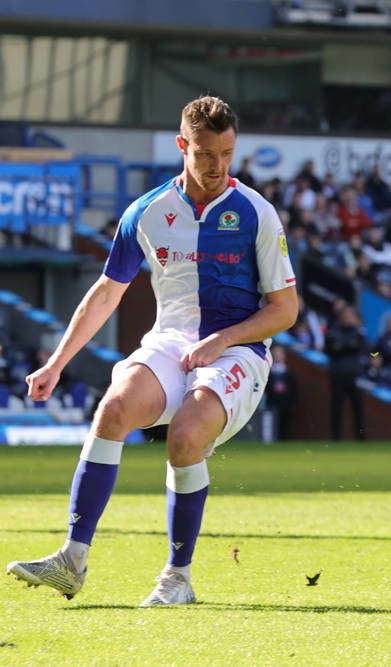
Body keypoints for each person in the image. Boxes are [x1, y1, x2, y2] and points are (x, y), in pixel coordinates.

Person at [6, 96, 299, 606]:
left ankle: (177, 578)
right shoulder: (146, 212)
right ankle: (72, 560)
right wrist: (56, 363)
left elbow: (285, 309)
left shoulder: (256, 212)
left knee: (184, 437)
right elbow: (107, 291)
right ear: (183, 146)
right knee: (114, 408)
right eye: (207, 153)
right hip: (171, 342)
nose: (218, 166)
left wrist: (224, 339)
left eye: (227, 153)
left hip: (240, 351)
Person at [325, 306, 367, 440]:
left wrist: (376, 356)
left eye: (350, 315)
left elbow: (371, 351)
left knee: (358, 408)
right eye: (345, 314)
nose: (348, 317)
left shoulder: (360, 333)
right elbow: (331, 349)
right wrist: (350, 346)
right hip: (337, 375)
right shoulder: (333, 331)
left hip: (355, 376)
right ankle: (335, 438)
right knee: (337, 408)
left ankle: (360, 438)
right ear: (341, 317)